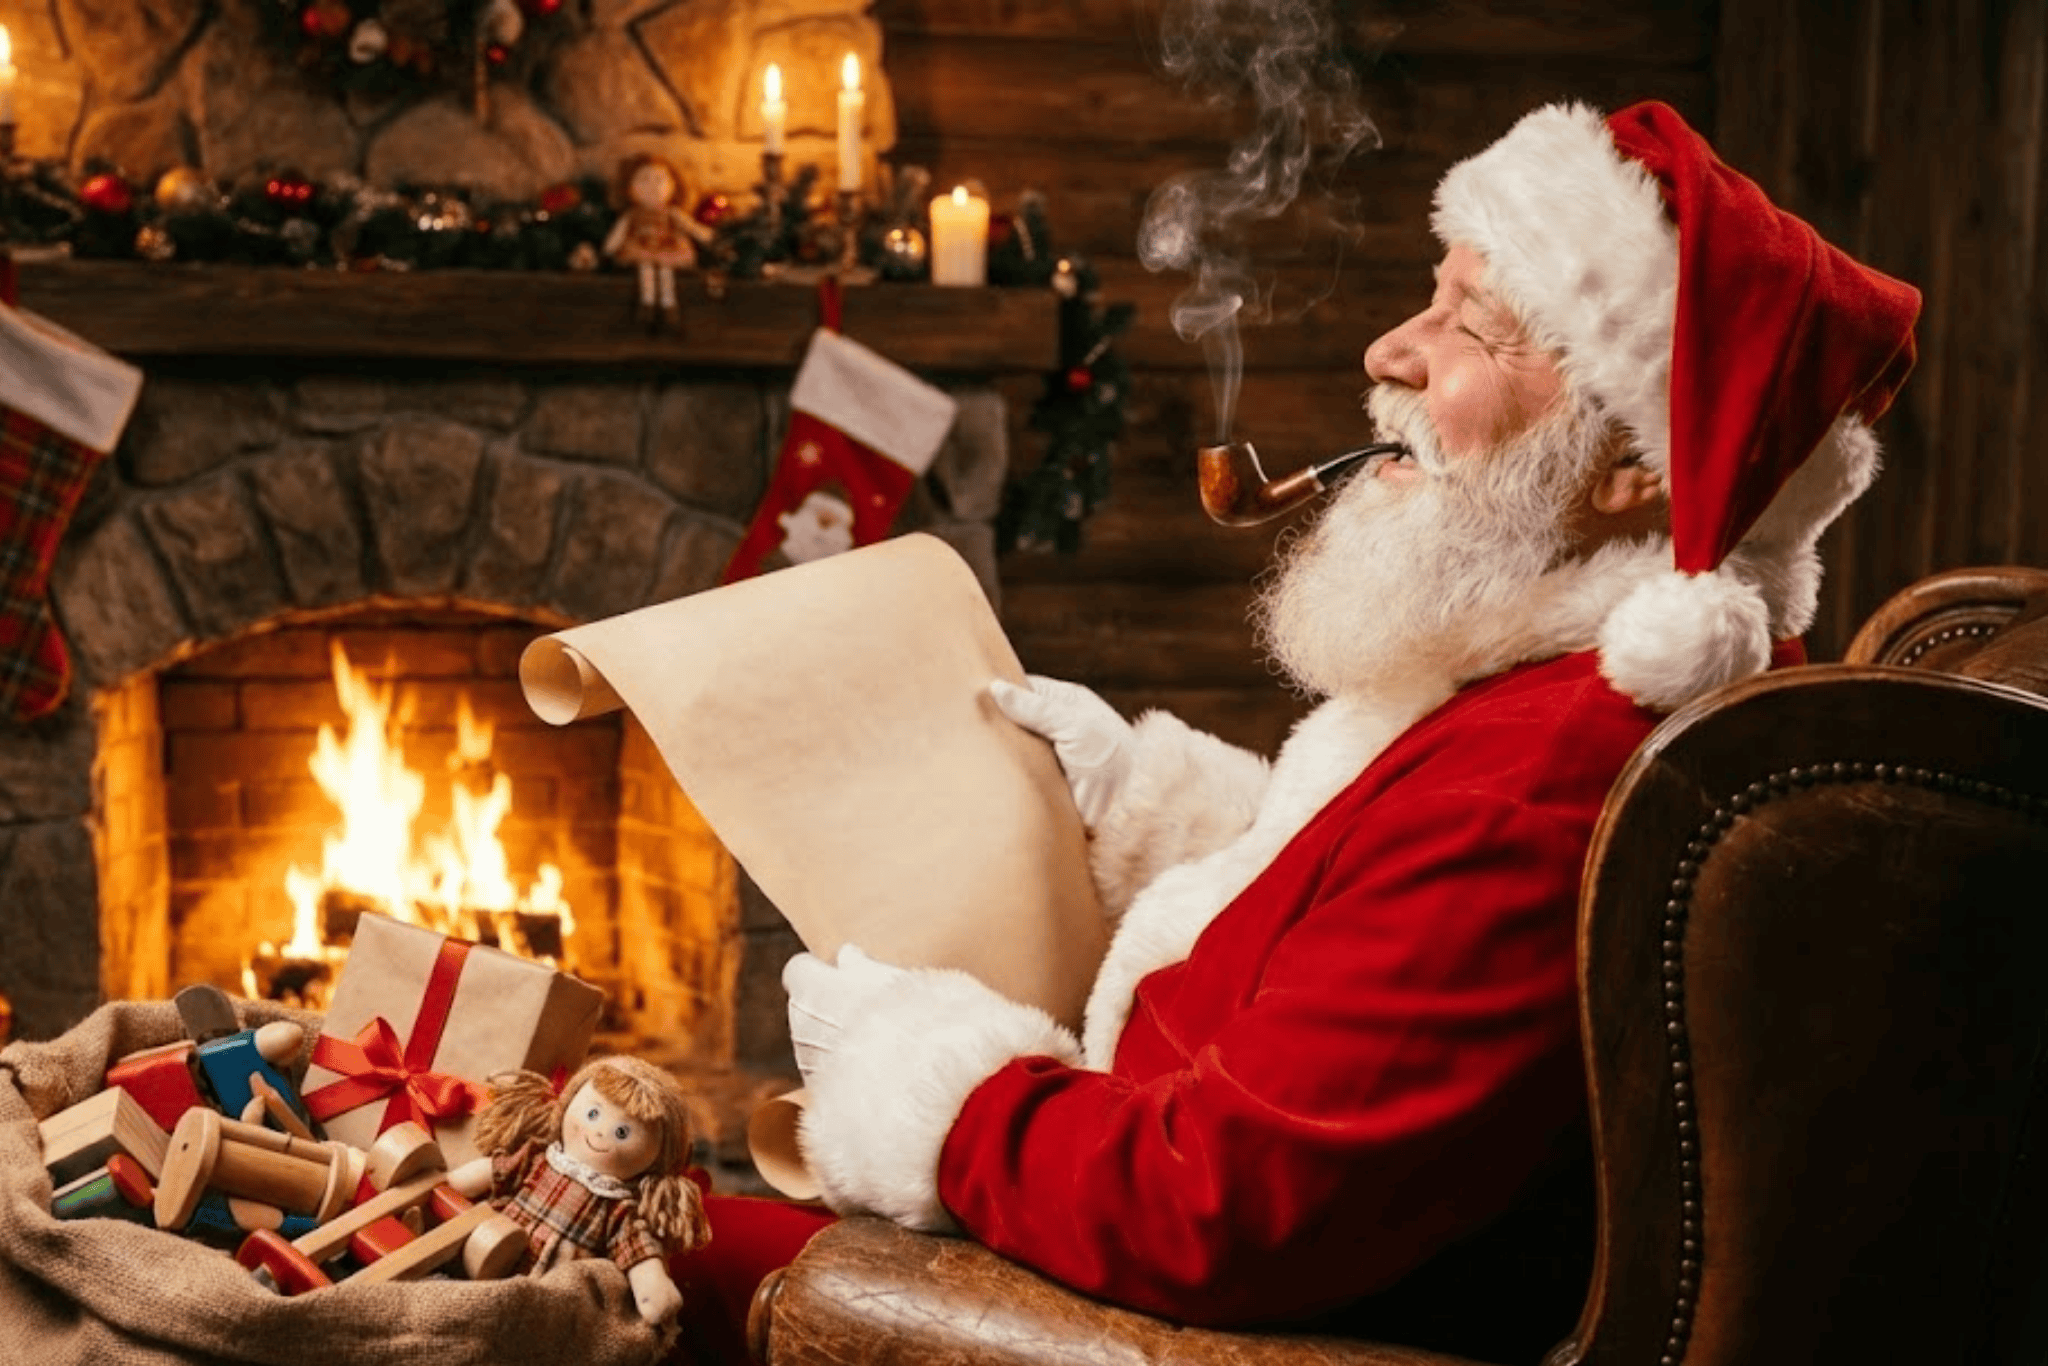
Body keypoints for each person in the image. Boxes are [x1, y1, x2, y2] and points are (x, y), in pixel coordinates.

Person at [667, 99, 1922, 1362]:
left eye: (1468, 326)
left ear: (1634, 467)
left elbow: (1215, 1208)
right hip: (1122, 1239)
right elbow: (1374, 920)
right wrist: (1149, 810)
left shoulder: (1551, 777)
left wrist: (929, 1090)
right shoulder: (1543, 698)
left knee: (627, 1240)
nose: (1389, 350)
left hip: (1159, 1305)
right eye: (1428, 298)